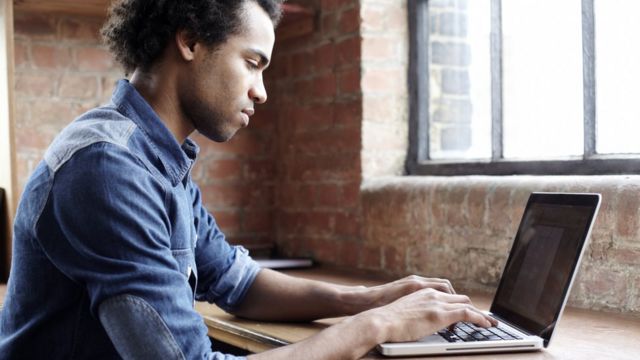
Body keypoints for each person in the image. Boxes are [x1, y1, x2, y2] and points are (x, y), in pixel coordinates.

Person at [0, 0, 496, 359]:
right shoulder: (107, 170)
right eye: (253, 63)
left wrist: (369, 298)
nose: (261, 92)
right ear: (190, 40)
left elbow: (235, 281)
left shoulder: (155, 158)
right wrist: (378, 325)